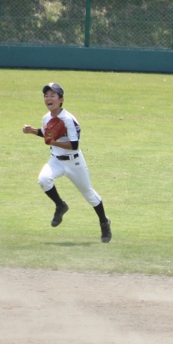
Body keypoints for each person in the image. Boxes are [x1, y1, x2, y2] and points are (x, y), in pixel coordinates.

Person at [22, 83, 112, 243]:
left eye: (52, 95)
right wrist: (33, 131)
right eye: (46, 96)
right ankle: (60, 205)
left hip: (74, 162)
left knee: (89, 195)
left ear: (61, 99)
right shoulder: (46, 117)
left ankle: (104, 222)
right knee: (43, 180)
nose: (48, 98)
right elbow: (47, 134)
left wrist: (53, 142)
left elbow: (74, 145)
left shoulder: (69, 119)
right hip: (55, 160)